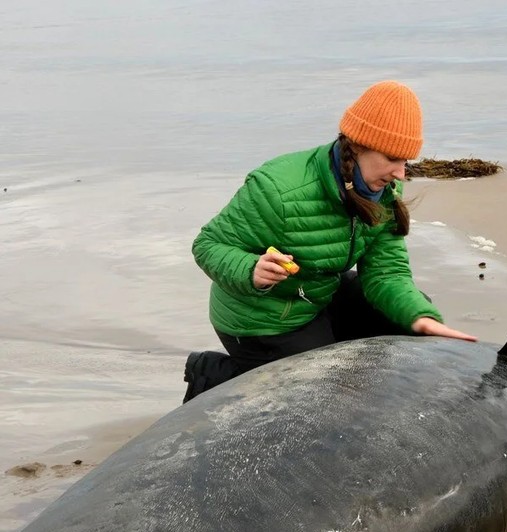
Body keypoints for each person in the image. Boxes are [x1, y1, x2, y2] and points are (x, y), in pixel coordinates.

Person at [183, 80, 477, 403]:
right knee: (324, 397)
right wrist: (251, 270)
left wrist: (420, 317)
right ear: (360, 145)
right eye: (393, 158)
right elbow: (207, 245)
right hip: (260, 320)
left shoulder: (384, 191)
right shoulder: (279, 191)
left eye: (405, 161)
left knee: (405, 323)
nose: (401, 173)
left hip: (318, 296)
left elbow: (386, 274)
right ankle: (216, 375)